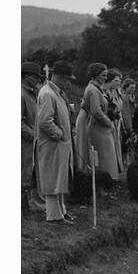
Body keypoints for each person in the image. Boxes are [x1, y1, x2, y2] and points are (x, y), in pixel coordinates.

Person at [35, 60, 77, 224]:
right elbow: (45, 121)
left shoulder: (56, 93)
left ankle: (62, 212)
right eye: (67, 79)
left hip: (60, 145)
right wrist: (60, 134)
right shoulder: (47, 94)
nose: (68, 82)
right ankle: (54, 216)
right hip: (52, 144)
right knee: (52, 179)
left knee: (60, 179)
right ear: (58, 76)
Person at [74, 62, 123, 183]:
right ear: (95, 75)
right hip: (95, 125)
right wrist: (108, 123)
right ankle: (102, 181)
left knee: (105, 154)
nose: (106, 78)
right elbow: (96, 111)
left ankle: (107, 180)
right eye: (103, 75)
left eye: (106, 75)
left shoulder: (96, 89)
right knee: (101, 154)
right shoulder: (93, 90)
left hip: (97, 124)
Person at [21, 61, 46, 212]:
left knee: (31, 174)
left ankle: (31, 205)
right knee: (24, 174)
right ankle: (26, 207)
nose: (38, 80)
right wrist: (34, 135)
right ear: (26, 76)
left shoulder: (32, 93)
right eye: (36, 77)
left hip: (33, 142)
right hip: (25, 142)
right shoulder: (21, 94)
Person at [102, 68, 125, 173]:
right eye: (116, 81)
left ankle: (117, 171)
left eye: (119, 81)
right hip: (109, 121)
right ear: (109, 80)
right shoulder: (105, 92)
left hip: (117, 122)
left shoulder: (116, 91)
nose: (118, 83)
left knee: (116, 146)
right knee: (110, 148)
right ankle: (110, 173)